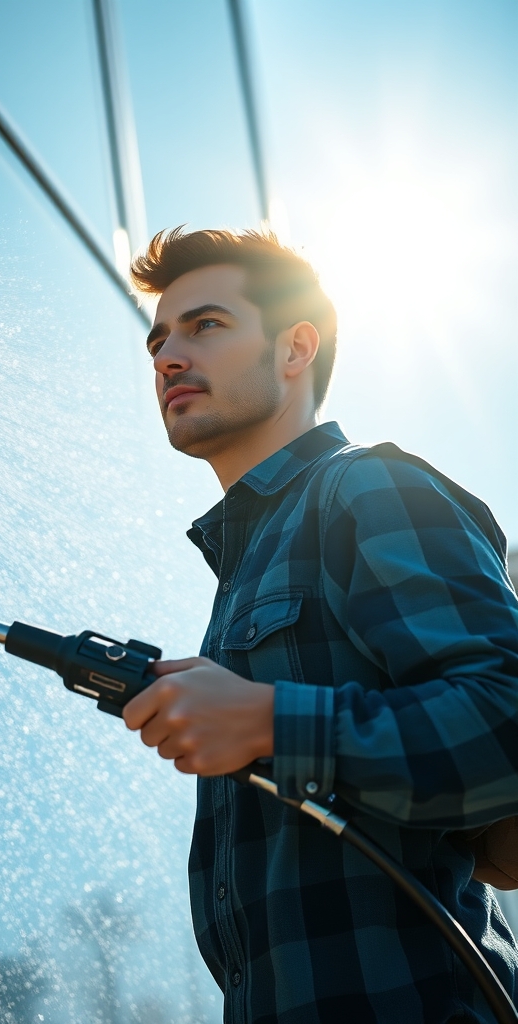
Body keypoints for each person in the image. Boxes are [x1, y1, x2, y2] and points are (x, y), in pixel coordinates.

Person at [121, 227, 518, 1023]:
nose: (167, 357)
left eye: (206, 326)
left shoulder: (370, 488)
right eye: (158, 339)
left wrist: (269, 720)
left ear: (296, 347)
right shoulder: (241, 576)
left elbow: (507, 717)